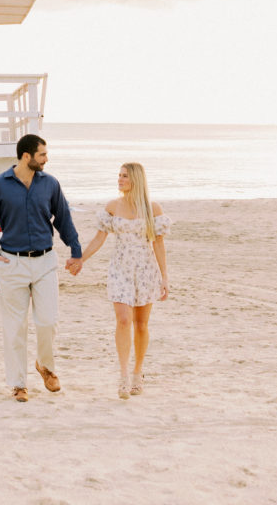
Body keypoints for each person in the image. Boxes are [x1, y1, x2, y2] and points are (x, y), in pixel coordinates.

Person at [0, 133, 83, 402]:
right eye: (43, 154)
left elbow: (63, 218)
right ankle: (18, 384)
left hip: (46, 262)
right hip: (12, 263)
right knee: (15, 327)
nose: (47, 159)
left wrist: (75, 250)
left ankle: (45, 367)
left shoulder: (50, 184)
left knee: (47, 321)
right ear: (27, 156)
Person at [66, 162, 170, 399]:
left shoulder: (153, 208)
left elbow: (159, 243)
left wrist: (165, 277)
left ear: (135, 179)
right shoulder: (112, 206)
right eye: (119, 175)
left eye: (124, 176)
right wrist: (80, 259)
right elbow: (99, 238)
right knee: (123, 320)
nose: (120, 179)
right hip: (120, 269)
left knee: (142, 325)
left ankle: (137, 372)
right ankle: (123, 374)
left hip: (145, 269)